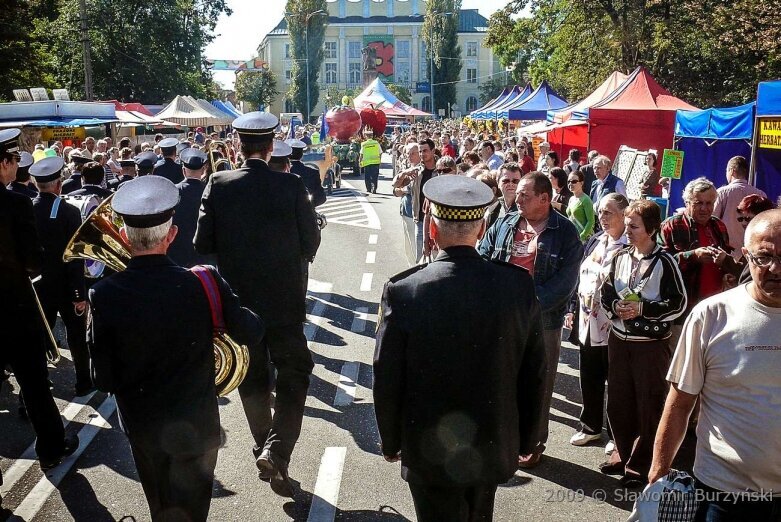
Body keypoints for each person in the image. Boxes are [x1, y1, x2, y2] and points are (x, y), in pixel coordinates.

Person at [88, 176, 263, 521]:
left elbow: (103, 378)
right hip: (197, 421)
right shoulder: (205, 281)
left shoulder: (103, 294)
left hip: (143, 425)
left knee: (161, 508)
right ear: (172, 235)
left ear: (123, 236)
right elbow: (252, 333)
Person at [374, 175, 547, 522]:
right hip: (493, 438)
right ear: (482, 229)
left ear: (433, 231)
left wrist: (391, 440)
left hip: (428, 445)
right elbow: (535, 371)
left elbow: (387, 374)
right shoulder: (516, 285)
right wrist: (528, 439)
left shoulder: (405, 290)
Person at [194, 112, 321, 498]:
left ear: (238, 146)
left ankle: (265, 445)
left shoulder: (218, 183)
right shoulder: (291, 184)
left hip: (239, 304)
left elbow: (202, 245)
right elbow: (311, 243)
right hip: (284, 304)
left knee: (252, 378)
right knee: (295, 373)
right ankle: (277, 449)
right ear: (270, 147)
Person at [650, 209, 781, 520]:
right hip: (722, 493)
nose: (776, 268)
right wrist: (658, 472)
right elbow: (680, 403)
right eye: (764, 257)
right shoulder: (712, 315)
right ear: (746, 256)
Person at [478, 171, 583, 468]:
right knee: (501, 380)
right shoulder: (506, 221)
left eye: (525, 195)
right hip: (501, 316)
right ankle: (502, 438)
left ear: (544, 199)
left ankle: (533, 443)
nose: (517, 199)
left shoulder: (565, 233)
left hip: (542, 321)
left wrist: (529, 305)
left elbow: (566, 282)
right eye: (518, 195)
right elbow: (484, 254)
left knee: (538, 384)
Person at [0, 129, 78, 475]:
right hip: (13, 308)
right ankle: (51, 447)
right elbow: (33, 262)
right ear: (3, 163)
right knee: (33, 382)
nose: (17, 167)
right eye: (15, 160)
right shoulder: (15, 203)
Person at [599, 199, 687, 488]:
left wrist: (643, 309)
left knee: (648, 403)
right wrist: (616, 307)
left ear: (651, 229)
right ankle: (623, 455)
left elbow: (679, 303)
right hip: (619, 340)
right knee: (619, 402)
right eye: (626, 225)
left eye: (634, 226)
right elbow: (606, 291)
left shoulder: (665, 261)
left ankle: (640, 465)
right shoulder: (620, 256)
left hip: (649, 345)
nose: (627, 231)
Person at [565, 193, 628, 450]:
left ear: (624, 214)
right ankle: (590, 426)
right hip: (587, 322)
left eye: (608, 212)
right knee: (589, 376)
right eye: (600, 211)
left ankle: (616, 434)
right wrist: (571, 309)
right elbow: (580, 277)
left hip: (614, 324)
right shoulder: (595, 241)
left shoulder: (630, 246)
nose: (602, 217)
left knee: (616, 380)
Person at [29, 157, 93, 396]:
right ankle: (83, 382)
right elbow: (74, 257)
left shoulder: (27, 207)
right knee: (76, 336)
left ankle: (39, 386)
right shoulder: (69, 211)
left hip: (38, 286)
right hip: (67, 287)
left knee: (38, 337)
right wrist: (79, 293)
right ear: (58, 185)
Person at [660, 177, 740, 342]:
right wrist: (693, 255)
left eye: (709, 203)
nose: (705, 208)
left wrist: (727, 269)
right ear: (687, 202)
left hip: (715, 309)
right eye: (698, 203)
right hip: (684, 310)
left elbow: (725, 256)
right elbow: (661, 264)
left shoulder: (718, 226)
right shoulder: (672, 225)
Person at [713, 156, 767, 259]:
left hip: (726, 255)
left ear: (731, 171)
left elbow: (713, 219)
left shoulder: (722, 192)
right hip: (752, 254)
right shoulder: (761, 195)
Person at [168, 148, 213, 268]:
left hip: (177, 253)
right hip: (204, 255)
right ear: (203, 170)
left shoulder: (173, 191)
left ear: (183, 171)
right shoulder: (211, 191)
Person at [287, 139, 326, 208]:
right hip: (306, 214)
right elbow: (321, 197)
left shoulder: (278, 172)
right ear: (302, 154)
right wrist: (308, 206)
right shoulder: (312, 172)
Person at [565, 168, 595, 242]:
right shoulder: (571, 199)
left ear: (581, 183)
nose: (570, 184)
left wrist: (582, 237)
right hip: (572, 237)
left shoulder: (586, 200)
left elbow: (591, 221)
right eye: (569, 181)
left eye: (574, 181)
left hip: (583, 240)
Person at [359, 129, 382, 194]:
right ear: (372, 136)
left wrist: (359, 162)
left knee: (367, 177)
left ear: (366, 136)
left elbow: (361, 154)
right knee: (375, 176)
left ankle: (369, 189)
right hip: (376, 162)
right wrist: (380, 160)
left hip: (367, 163)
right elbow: (380, 152)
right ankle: (374, 188)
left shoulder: (364, 144)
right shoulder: (376, 143)